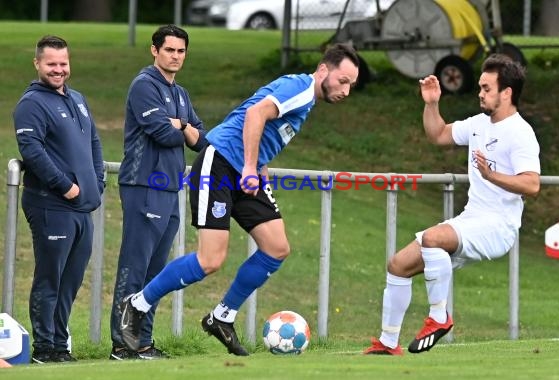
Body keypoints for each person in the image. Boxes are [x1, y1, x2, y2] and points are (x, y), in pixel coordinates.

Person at [118, 43, 360, 356]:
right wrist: (249, 166)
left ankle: (222, 317)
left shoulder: (305, 97)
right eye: (343, 81)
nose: (346, 91)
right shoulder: (300, 87)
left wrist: (260, 171)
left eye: (351, 85)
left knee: (276, 248)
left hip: (245, 170)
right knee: (211, 260)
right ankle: (137, 304)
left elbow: (264, 130)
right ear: (325, 70)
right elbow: (255, 114)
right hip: (219, 164)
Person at [364, 54, 541, 356]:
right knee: (398, 265)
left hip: (499, 227)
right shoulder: (477, 124)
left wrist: (491, 175)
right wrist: (432, 103)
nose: (480, 93)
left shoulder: (520, 132)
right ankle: (388, 343)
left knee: (433, 238)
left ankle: (439, 317)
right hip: (471, 219)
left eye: (487, 88)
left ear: (506, 93)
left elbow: (532, 184)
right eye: (481, 88)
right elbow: (438, 134)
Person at [109, 24, 207, 360]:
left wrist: (179, 125)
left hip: (170, 188)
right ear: (155, 50)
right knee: (135, 267)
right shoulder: (144, 86)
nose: (175, 56)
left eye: (181, 51)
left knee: (156, 274)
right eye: (169, 50)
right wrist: (182, 127)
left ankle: (144, 343)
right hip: (143, 186)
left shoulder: (181, 94)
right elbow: (163, 134)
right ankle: (122, 345)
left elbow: (202, 139)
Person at [13, 35, 105, 363]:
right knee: (50, 278)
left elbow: (93, 141)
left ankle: (59, 344)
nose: (58, 69)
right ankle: (44, 348)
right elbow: (32, 151)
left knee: (70, 281)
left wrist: (97, 181)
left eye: (63, 63)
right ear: (37, 63)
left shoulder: (76, 98)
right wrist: (65, 185)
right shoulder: (31, 104)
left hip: (81, 207)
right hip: (51, 204)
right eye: (51, 63)